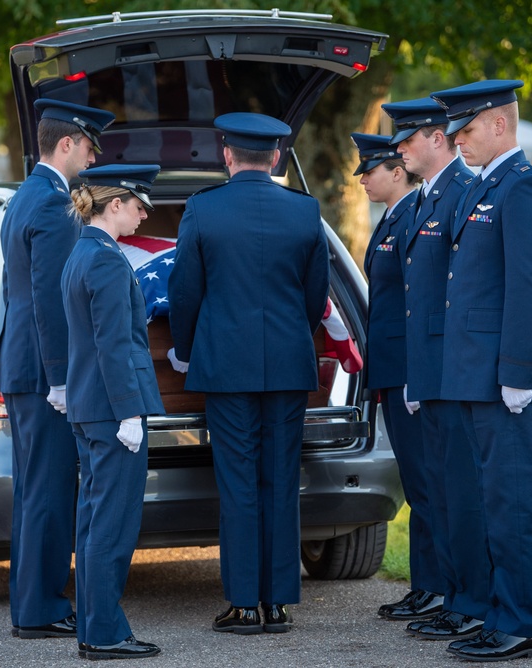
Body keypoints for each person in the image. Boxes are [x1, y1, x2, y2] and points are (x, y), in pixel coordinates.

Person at [166, 112, 329, 635]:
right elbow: (315, 299)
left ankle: (242, 605)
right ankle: (277, 603)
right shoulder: (305, 212)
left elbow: (185, 292)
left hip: (225, 368)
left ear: (227, 156)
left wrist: (186, 351)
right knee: (280, 481)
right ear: (277, 157)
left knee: (238, 485)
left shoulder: (202, 210)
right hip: (286, 366)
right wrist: (288, 340)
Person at [428, 78, 532, 662]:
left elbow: (528, 289)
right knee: (490, 502)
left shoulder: (523, 189)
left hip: (509, 377)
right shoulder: (483, 187)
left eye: (466, 130)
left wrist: (518, 373)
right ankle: (499, 612)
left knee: (512, 505)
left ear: (500, 125)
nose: (458, 141)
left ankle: (525, 623)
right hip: (477, 374)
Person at [0, 98, 114, 641]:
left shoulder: (26, 195)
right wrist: (63, 378)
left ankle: (32, 603)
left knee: (34, 489)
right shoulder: (53, 204)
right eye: (89, 148)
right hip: (43, 373)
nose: (91, 161)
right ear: (66, 144)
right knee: (48, 490)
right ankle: (41, 607)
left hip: (22, 364)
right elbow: (51, 300)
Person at [382, 97, 491, 642]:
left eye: (409, 138)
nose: (399, 148)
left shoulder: (462, 191)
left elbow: (460, 294)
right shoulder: (430, 197)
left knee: (461, 492)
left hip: (455, 370)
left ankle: (470, 600)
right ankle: (456, 595)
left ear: (438, 138)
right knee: (444, 492)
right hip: (429, 370)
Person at [61, 164, 165, 660]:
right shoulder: (103, 259)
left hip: (90, 405)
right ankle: (103, 633)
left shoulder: (83, 252)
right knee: (112, 524)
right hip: (110, 409)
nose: (144, 213)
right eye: (137, 203)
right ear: (115, 203)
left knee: (93, 520)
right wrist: (129, 411)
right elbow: (112, 342)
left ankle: (92, 627)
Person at [350, 131, 442, 623]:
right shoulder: (394, 219)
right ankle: (426, 584)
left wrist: (412, 378)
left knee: (426, 484)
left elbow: (415, 305)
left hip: (409, 373)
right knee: (417, 481)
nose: (363, 180)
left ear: (396, 171)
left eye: (370, 171)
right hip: (393, 372)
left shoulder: (413, 218)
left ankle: (438, 586)